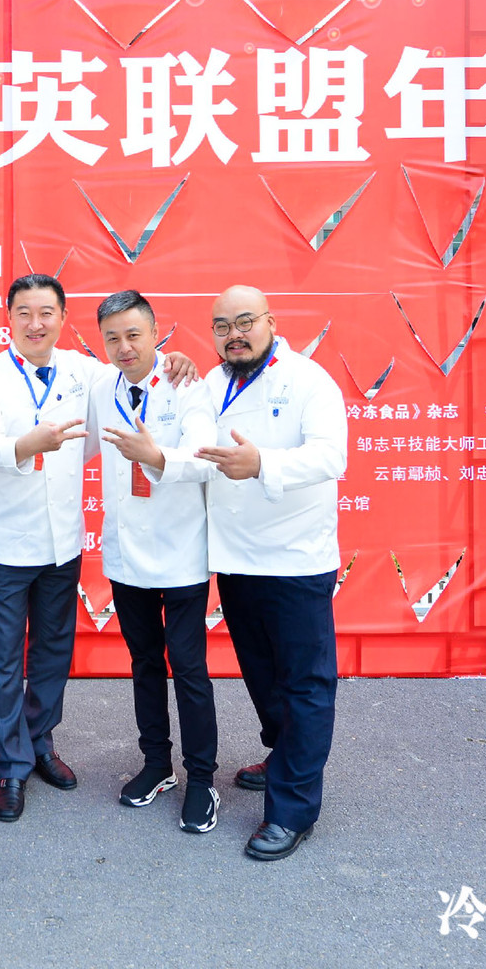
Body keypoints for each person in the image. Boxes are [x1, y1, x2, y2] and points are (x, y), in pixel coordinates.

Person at [183, 284, 347, 862]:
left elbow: (331, 456)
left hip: (295, 559)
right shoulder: (211, 382)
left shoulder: (309, 380)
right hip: (235, 558)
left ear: (270, 322)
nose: (235, 335)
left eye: (245, 321)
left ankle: (292, 810)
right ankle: (284, 755)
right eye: (222, 326)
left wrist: (263, 464)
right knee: (262, 675)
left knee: (304, 685)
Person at [0, 273, 105, 822]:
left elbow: (131, 382)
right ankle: (10, 764)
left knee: (53, 649)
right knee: (4, 658)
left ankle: (39, 739)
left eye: (46, 312)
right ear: (9, 318)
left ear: (63, 318)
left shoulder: (84, 372)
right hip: (6, 540)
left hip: (62, 539)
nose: (35, 323)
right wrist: (28, 445)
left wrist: (175, 364)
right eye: (23, 312)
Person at [87, 289, 222, 834]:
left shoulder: (186, 383)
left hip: (181, 551)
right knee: (144, 662)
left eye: (133, 335)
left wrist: (157, 456)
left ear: (155, 333)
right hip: (125, 555)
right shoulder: (101, 387)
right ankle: (157, 764)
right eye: (112, 338)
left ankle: (203, 779)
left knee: (188, 667)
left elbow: (206, 455)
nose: (124, 347)